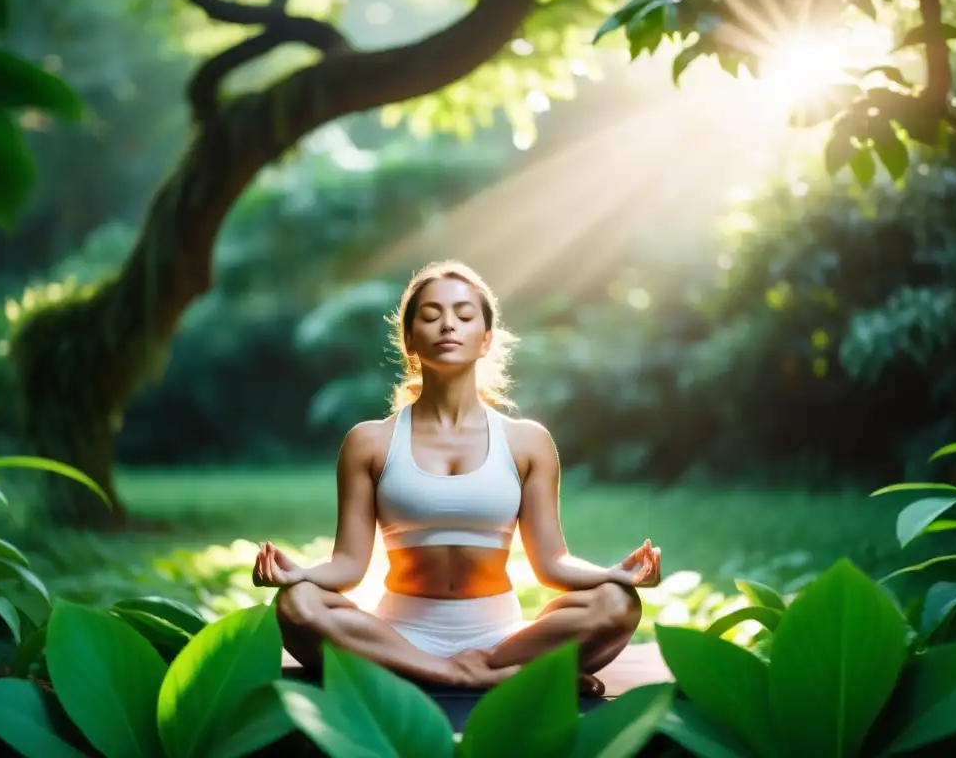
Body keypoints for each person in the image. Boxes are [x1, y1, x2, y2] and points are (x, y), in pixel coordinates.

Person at [253, 260, 662, 692]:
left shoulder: (527, 442)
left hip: (503, 639)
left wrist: (615, 573)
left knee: (617, 605)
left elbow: (552, 564)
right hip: (401, 636)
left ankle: (483, 666)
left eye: (464, 316)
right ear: (410, 339)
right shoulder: (369, 442)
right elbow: (349, 565)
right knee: (297, 604)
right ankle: (468, 676)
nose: (448, 325)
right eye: (431, 316)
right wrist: (296, 576)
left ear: (486, 339)